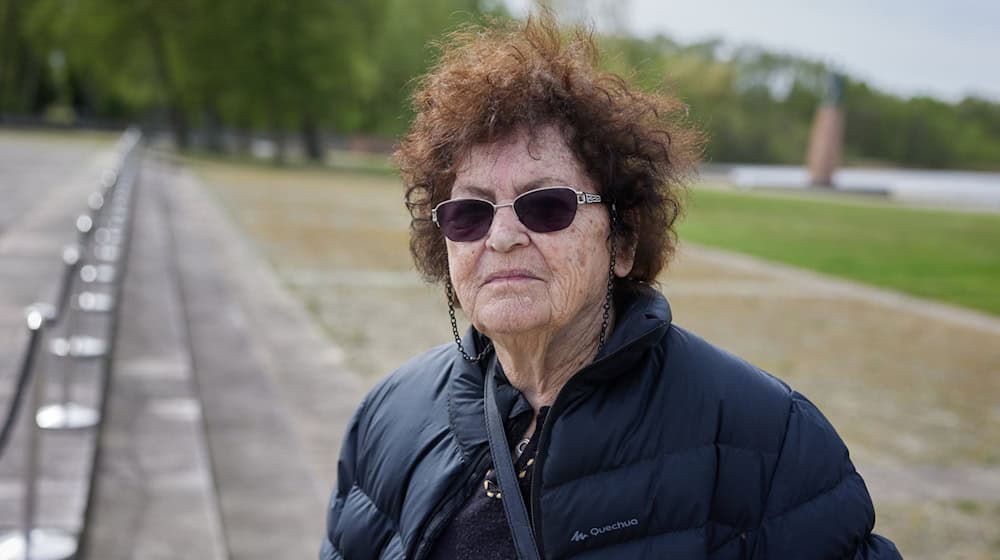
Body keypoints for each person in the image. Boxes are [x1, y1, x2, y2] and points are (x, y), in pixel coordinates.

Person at [320, 15, 901, 560]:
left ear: (623, 241)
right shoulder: (386, 416)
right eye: (470, 212)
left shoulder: (771, 442)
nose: (500, 237)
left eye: (545, 206)